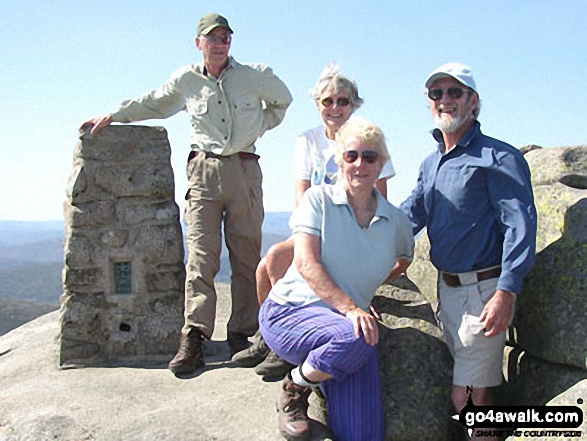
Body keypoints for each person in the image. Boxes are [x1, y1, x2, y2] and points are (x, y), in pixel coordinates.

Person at [80, 13, 293, 374]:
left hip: (244, 168)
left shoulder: (254, 76)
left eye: (226, 36)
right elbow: (154, 102)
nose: (220, 42)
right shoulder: (187, 80)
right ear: (199, 43)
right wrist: (115, 115)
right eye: (213, 37)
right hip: (204, 171)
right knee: (201, 257)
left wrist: (258, 125)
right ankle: (195, 336)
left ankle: (244, 332)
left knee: (246, 255)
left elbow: (282, 101)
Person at [231, 63, 396, 379]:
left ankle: (286, 343)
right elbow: (302, 191)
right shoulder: (307, 140)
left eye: (343, 101)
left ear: (353, 104)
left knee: (281, 266)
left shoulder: (367, 138)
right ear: (318, 104)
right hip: (315, 227)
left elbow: (380, 198)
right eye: (328, 101)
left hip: (351, 233)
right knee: (267, 265)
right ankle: (271, 339)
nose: (335, 108)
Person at [400, 62, 536, 440]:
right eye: (436, 93)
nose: (445, 100)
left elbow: (520, 227)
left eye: (454, 92)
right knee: (476, 394)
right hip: (448, 292)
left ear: (473, 102)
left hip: (485, 292)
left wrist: (506, 293)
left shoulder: (498, 157)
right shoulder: (431, 163)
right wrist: (361, 230)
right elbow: (411, 214)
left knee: (468, 399)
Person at [259, 117, 414, 441]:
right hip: (289, 312)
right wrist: (351, 307)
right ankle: (294, 388)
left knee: (365, 434)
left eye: (369, 157)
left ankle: (313, 379)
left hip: (345, 330)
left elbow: (404, 258)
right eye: (351, 156)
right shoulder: (319, 200)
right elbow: (306, 262)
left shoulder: (397, 222)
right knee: (360, 337)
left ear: (381, 164)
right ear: (340, 161)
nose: (360, 164)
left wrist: (365, 290)